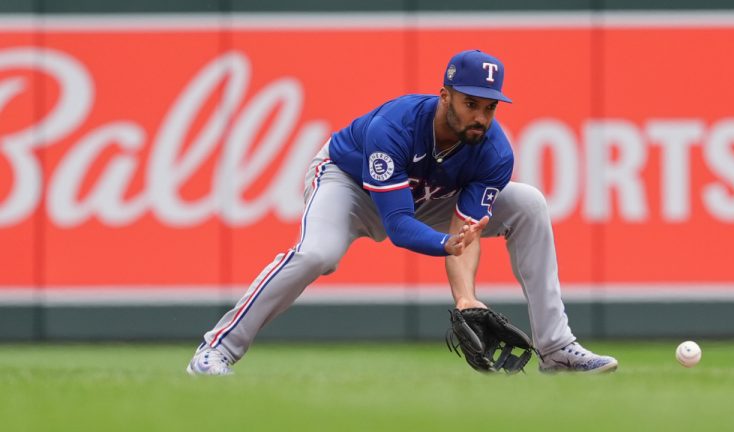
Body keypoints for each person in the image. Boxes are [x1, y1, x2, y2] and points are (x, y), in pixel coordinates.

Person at [186, 49, 618, 375]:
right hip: (349, 185)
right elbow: (396, 226)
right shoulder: (394, 126)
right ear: (444, 95)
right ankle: (216, 349)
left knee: (528, 203)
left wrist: (465, 299)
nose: (481, 117)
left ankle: (557, 348)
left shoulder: (493, 152)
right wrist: (447, 242)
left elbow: (463, 231)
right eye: (471, 103)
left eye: (490, 108)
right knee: (318, 253)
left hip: (425, 199)